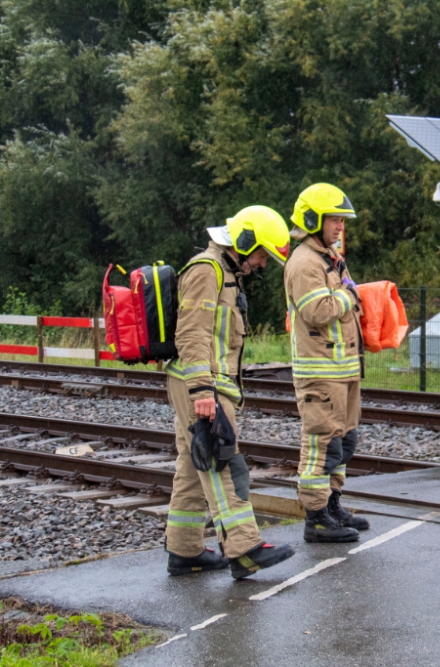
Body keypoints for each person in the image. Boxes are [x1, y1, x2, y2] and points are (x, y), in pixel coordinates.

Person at [164, 205, 296, 578]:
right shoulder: (208, 271)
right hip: (203, 383)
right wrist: (202, 389)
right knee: (221, 462)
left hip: (207, 383)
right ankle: (244, 548)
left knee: (194, 465)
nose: (263, 264)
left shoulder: (225, 273)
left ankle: (184, 550)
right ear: (244, 240)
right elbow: (191, 333)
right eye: (260, 254)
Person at [285, 183, 369, 543]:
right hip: (320, 371)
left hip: (343, 369)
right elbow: (318, 311)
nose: (339, 226)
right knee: (322, 444)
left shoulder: (330, 258)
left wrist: (349, 296)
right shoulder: (305, 262)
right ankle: (316, 517)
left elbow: (346, 299)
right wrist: (348, 295)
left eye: (341, 220)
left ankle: (333, 505)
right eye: (334, 219)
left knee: (342, 443)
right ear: (312, 220)